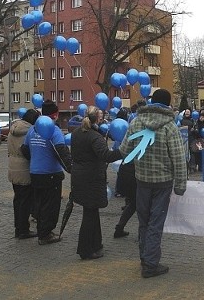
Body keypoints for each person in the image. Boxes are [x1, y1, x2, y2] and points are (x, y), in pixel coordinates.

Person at [119, 88, 188, 278]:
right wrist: (181, 185)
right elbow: (178, 158)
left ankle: (144, 257)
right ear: (167, 104)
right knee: (156, 223)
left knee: (143, 221)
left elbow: (124, 150)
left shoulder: (136, 122)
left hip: (141, 180)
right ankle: (150, 264)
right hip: (163, 182)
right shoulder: (170, 126)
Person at [71, 106, 122, 260]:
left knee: (91, 212)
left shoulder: (76, 133)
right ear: (98, 119)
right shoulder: (94, 136)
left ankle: (95, 244)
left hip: (80, 176)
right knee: (90, 214)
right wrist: (122, 151)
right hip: (91, 178)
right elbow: (106, 155)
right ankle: (86, 249)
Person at [21, 100, 72, 245]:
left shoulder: (32, 129)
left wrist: (35, 160)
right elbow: (61, 151)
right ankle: (45, 234)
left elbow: (24, 149)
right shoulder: (54, 131)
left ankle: (41, 230)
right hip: (51, 173)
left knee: (39, 203)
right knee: (51, 205)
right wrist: (71, 168)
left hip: (35, 172)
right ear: (55, 114)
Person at [7, 108, 40, 239]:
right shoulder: (30, 131)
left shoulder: (13, 129)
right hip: (25, 169)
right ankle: (23, 230)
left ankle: (18, 228)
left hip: (13, 167)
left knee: (18, 200)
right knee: (25, 201)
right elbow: (27, 151)